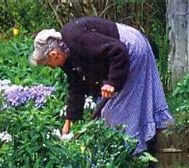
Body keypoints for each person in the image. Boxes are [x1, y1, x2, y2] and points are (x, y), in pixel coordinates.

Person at [30, 16, 173, 154]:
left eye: (48, 64)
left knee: (118, 112)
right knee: (119, 109)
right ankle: (141, 149)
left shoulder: (78, 41)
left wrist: (112, 83)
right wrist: (70, 119)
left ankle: (131, 155)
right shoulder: (66, 54)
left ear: (55, 54)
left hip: (131, 48)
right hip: (121, 51)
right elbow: (76, 85)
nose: (51, 67)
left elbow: (118, 50)